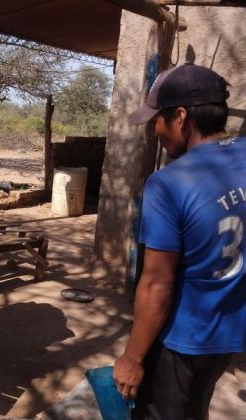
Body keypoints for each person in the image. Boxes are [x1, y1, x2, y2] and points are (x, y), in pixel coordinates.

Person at [113, 63, 246, 419]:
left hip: (183, 340)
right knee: (196, 407)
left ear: (181, 117)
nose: (155, 130)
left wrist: (133, 358)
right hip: (230, 334)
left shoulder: (169, 183)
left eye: (157, 119)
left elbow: (157, 283)